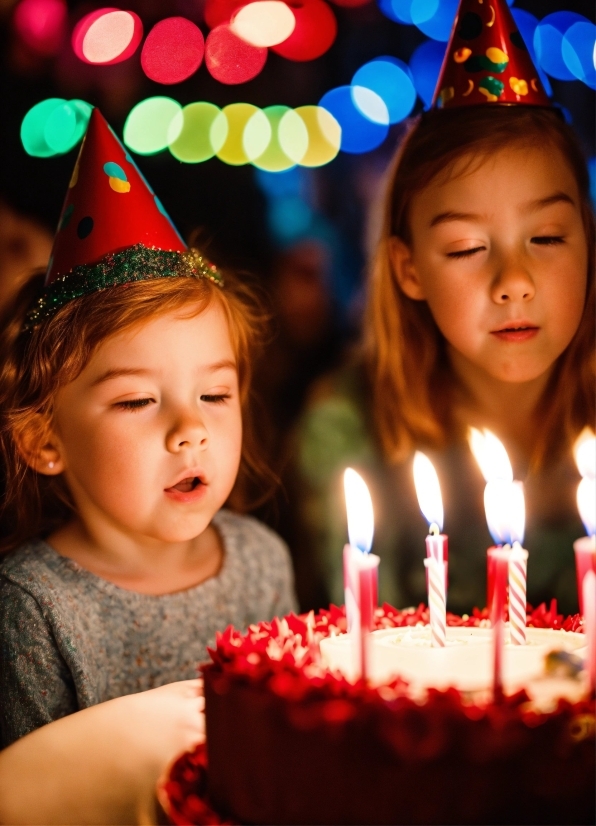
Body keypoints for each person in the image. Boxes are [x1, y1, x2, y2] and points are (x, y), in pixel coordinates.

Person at [0, 109, 296, 750]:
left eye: (215, 393)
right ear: (44, 440)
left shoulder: (261, 563)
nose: (191, 429)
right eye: (137, 401)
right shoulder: (34, 607)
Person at [293, 0, 594, 615]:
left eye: (546, 238)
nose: (513, 281)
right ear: (410, 269)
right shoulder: (345, 433)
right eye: (466, 248)